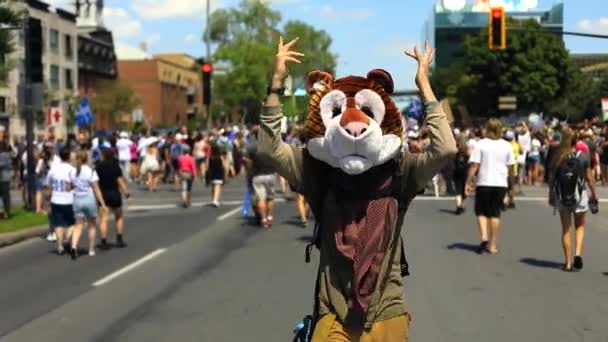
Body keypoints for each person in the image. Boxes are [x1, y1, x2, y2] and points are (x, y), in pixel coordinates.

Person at [260, 37, 456, 341]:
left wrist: (424, 86)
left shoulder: (400, 173)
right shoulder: (319, 170)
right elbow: (269, 149)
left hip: (386, 310)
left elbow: (445, 149)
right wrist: (275, 84)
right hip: (333, 312)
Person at [549, 128, 598, 272]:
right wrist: (594, 194)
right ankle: (577, 253)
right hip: (579, 195)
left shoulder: (558, 156)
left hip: (562, 196)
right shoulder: (582, 156)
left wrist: (551, 195)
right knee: (580, 226)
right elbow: (589, 177)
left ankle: (568, 262)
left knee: (565, 229)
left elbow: (552, 179)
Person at [466, 118, 515, 255]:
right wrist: (512, 184)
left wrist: (468, 182)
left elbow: (475, 165)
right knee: (495, 213)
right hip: (500, 183)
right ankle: (492, 245)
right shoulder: (507, 145)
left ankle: (484, 237)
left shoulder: (481, 144)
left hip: (484, 181)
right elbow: (511, 167)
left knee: (481, 212)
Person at [71, 151, 107, 259]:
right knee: (91, 226)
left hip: (77, 199)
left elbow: (69, 187)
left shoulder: (73, 171)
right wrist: (103, 203)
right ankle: (91, 249)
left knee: (78, 226)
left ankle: (73, 246)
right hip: (89, 199)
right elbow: (96, 189)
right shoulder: (91, 171)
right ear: (87, 159)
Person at [96, 148, 130, 250]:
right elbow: (119, 180)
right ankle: (119, 239)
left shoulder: (98, 167)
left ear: (103, 155)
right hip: (114, 193)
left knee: (103, 218)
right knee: (119, 216)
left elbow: (96, 182)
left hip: (103, 194)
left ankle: (103, 241)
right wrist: (126, 192)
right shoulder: (115, 166)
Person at [45, 147, 76, 255]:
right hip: (69, 200)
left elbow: (48, 186)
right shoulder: (72, 170)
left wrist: (47, 200)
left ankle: (59, 246)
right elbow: (75, 184)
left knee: (58, 224)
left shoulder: (53, 169)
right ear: (69, 157)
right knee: (73, 222)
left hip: (56, 199)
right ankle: (67, 238)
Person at [244, 131, 277, 228]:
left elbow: (248, 163)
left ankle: (263, 219)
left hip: (257, 175)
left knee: (260, 199)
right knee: (270, 197)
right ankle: (270, 216)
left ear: (254, 135)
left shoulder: (251, 147)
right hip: (270, 174)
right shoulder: (271, 145)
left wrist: (249, 174)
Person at [205, 142, 227, 207]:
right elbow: (224, 166)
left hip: (212, 173)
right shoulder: (220, 157)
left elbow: (207, 166)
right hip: (219, 173)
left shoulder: (209, 157)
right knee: (218, 186)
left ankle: (213, 199)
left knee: (213, 187)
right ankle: (216, 200)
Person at [453, 134, 470, 215]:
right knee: (464, 190)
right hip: (465, 171)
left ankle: (459, 205)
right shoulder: (467, 149)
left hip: (457, 171)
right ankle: (461, 205)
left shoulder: (456, 148)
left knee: (458, 189)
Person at [0, 140, 12, 219]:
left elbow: (1, 165)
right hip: (6, 177)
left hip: (2, 177)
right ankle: (6, 212)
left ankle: (5, 213)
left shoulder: (2, 155)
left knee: (4, 195)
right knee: (6, 195)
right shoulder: (7, 155)